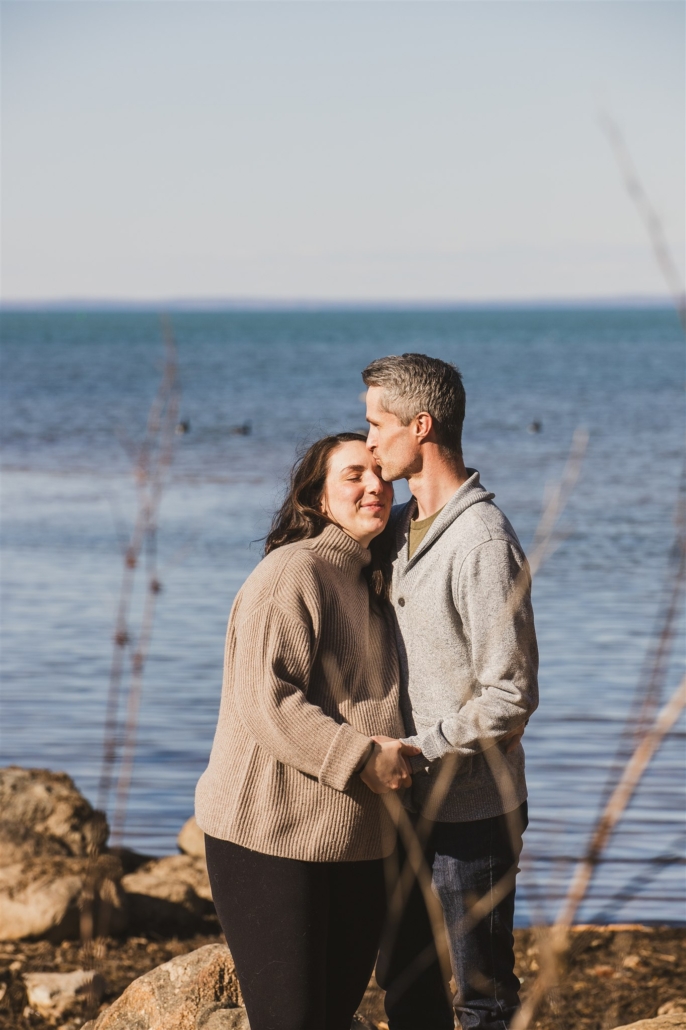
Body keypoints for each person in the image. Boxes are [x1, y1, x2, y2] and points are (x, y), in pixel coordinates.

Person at [195, 432, 420, 1030]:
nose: (374, 485)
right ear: (318, 499)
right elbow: (268, 702)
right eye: (353, 475)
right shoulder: (293, 573)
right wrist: (362, 757)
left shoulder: (369, 583)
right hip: (267, 837)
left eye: (381, 474)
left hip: (354, 840)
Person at [362, 354, 539, 1030]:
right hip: (403, 803)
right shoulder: (397, 531)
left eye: (378, 424)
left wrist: (418, 747)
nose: (370, 440)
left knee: (482, 999)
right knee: (405, 988)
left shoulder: (482, 541)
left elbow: (511, 694)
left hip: (474, 814)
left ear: (422, 425)